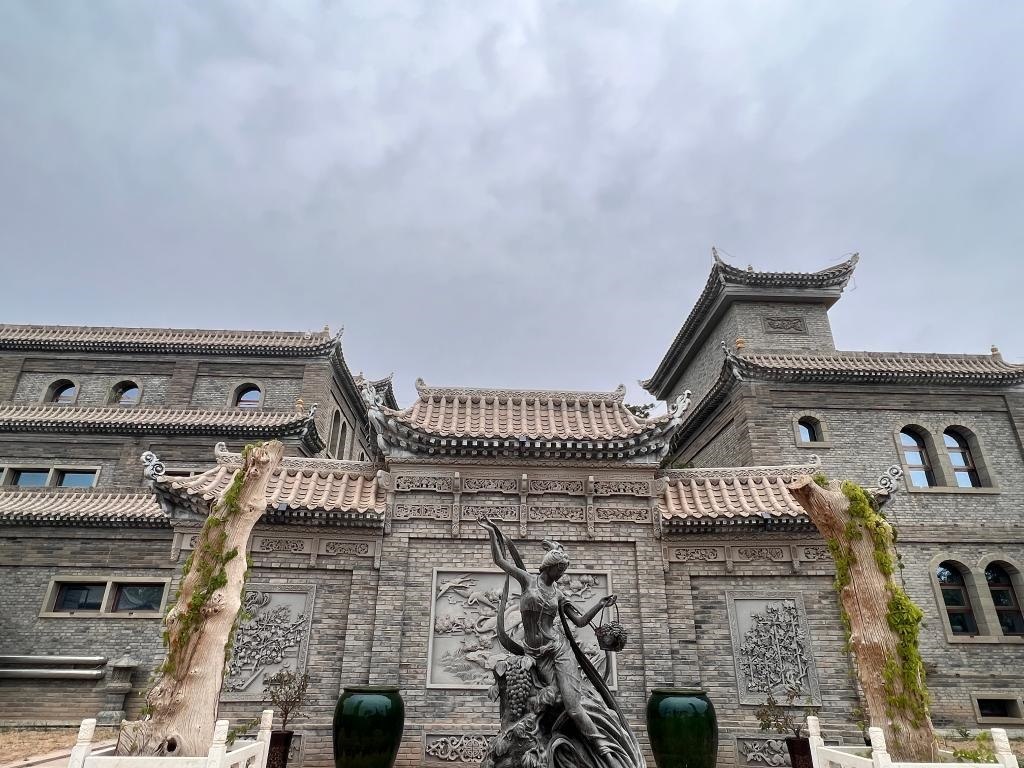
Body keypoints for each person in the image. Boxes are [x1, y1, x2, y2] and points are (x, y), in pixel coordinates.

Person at [478, 518, 645, 768]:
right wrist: (493, 532)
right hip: (534, 654)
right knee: (548, 703)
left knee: (573, 707)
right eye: (560, 570)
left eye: (563, 571)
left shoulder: (558, 594)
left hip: (558, 651)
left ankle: (608, 757)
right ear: (549, 567)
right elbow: (500, 560)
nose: (561, 575)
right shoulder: (527, 581)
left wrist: (600, 605)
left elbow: (579, 621)